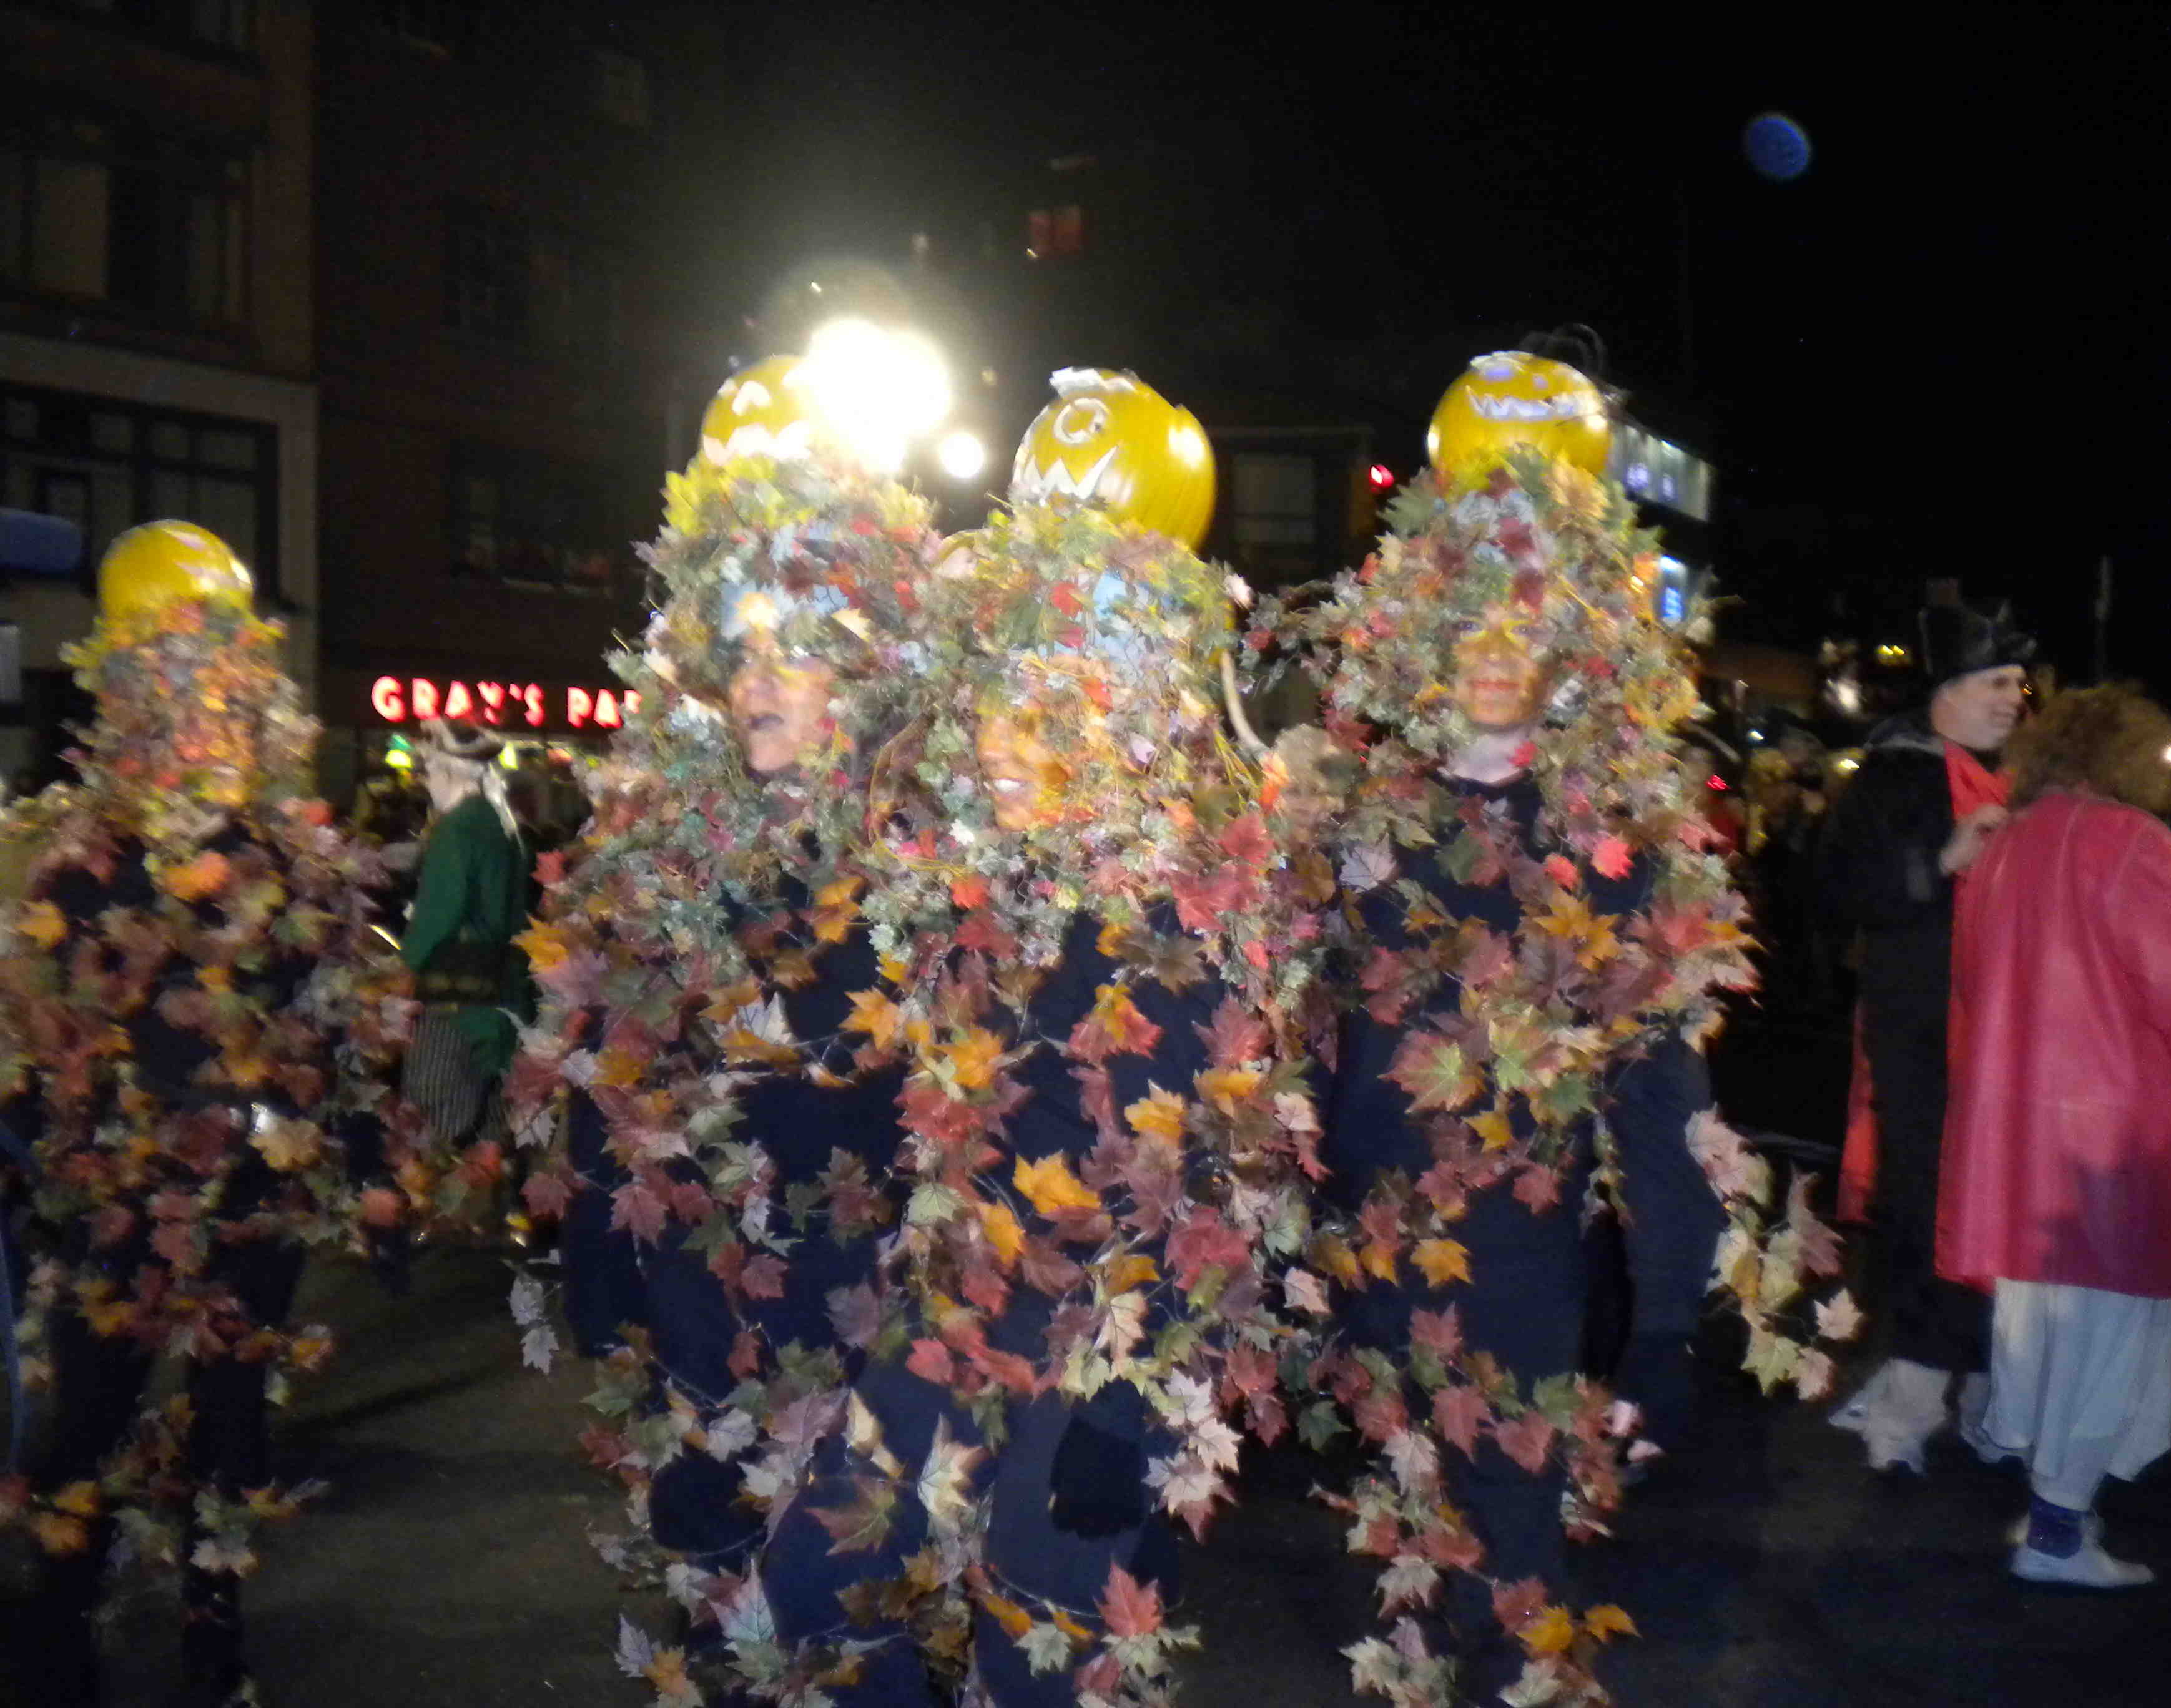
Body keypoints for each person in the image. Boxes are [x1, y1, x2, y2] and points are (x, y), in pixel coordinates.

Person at [749, 380, 1321, 1708]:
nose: (1005, 743)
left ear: (1123, 721)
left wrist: (1127, 1400)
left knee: (1041, 1644)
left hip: (1098, 1339)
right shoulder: (983, 886)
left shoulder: (1195, 910)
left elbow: (1234, 1182)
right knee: (820, 1582)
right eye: (997, 705)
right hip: (959, 1299)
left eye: (1049, 713)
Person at [1282, 355, 1765, 1702]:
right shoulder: (1361, 819)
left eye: (1524, 630)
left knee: (1512, 1539)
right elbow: (1294, 1032)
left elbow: (1662, 1093)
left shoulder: (1609, 841)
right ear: (1426, 643)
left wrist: (1662, 1323)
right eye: (1470, 629)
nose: (1495, 657)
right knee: (1414, 1520)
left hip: (1518, 1247)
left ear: (1569, 652)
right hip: (1369, 1238)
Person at [506, 376, 933, 1672]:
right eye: (741, 654)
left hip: (856, 1305)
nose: (757, 682)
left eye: (790, 653)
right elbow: (609, 1062)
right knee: (715, 1589)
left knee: (846, 1615)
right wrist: (596, 1245)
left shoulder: (921, 860)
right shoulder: (662, 853)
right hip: (698, 1298)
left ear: (858, 677)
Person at [0, 522, 395, 1706]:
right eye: (171, 691)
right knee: (87, 1423)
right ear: (126, 699)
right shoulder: (70, 863)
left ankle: (214, 1637)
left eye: (221, 689)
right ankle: (57, 1634)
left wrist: (369, 1172)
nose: (202, 721)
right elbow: (29, 1041)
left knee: (231, 1430)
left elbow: (343, 1037)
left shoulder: (297, 866)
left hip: (253, 1205)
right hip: (113, 1204)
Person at [1937, 684, 2171, 1586]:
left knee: (2039, 1316)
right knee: (2111, 1330)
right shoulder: (2137, 841)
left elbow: (1975, 980)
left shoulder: (2006, 843)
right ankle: (2058, 1532)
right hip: (2118, 1124)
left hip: (2018, 1124)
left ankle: (2046, 1496)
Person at [1819, 598, 2034, 1472]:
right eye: (1997, 682)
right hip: (1923, 1036)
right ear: (1947, 692)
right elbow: (1837, 890)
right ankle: (1911, 1400)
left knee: (1989, 1205)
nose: (2014, 698)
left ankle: (1976, 1390)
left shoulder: (2007, 775)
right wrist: (1943, 862)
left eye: (2019, 683)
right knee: (1928, 1204)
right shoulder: (1895, 775)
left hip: (1999, 1035)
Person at [399, 719, 531, 1167]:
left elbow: (440, 911)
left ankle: (436, 1196)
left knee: (433, 1108)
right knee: (490, 1108)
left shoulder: (456, 828)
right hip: (504, 985)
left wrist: (407, 965)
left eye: (429, 771)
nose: (426, 782)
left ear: (448, 771)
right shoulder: (504, 824)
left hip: (455, 988)